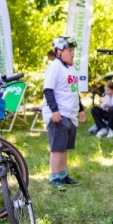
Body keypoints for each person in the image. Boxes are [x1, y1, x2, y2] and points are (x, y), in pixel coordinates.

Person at [43, 36, 86, 188]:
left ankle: (62, 174)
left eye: (73, 50)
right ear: (59, 52)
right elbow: (48, 90)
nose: (72, 53)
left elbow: (74, 91)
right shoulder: (54, 67)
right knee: (57, 147)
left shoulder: (71, 68)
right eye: (69, 50)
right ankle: (54, 177)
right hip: (59, 113)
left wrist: (81, 109)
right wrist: (55, 111)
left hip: (70, 113)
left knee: (65, 146)